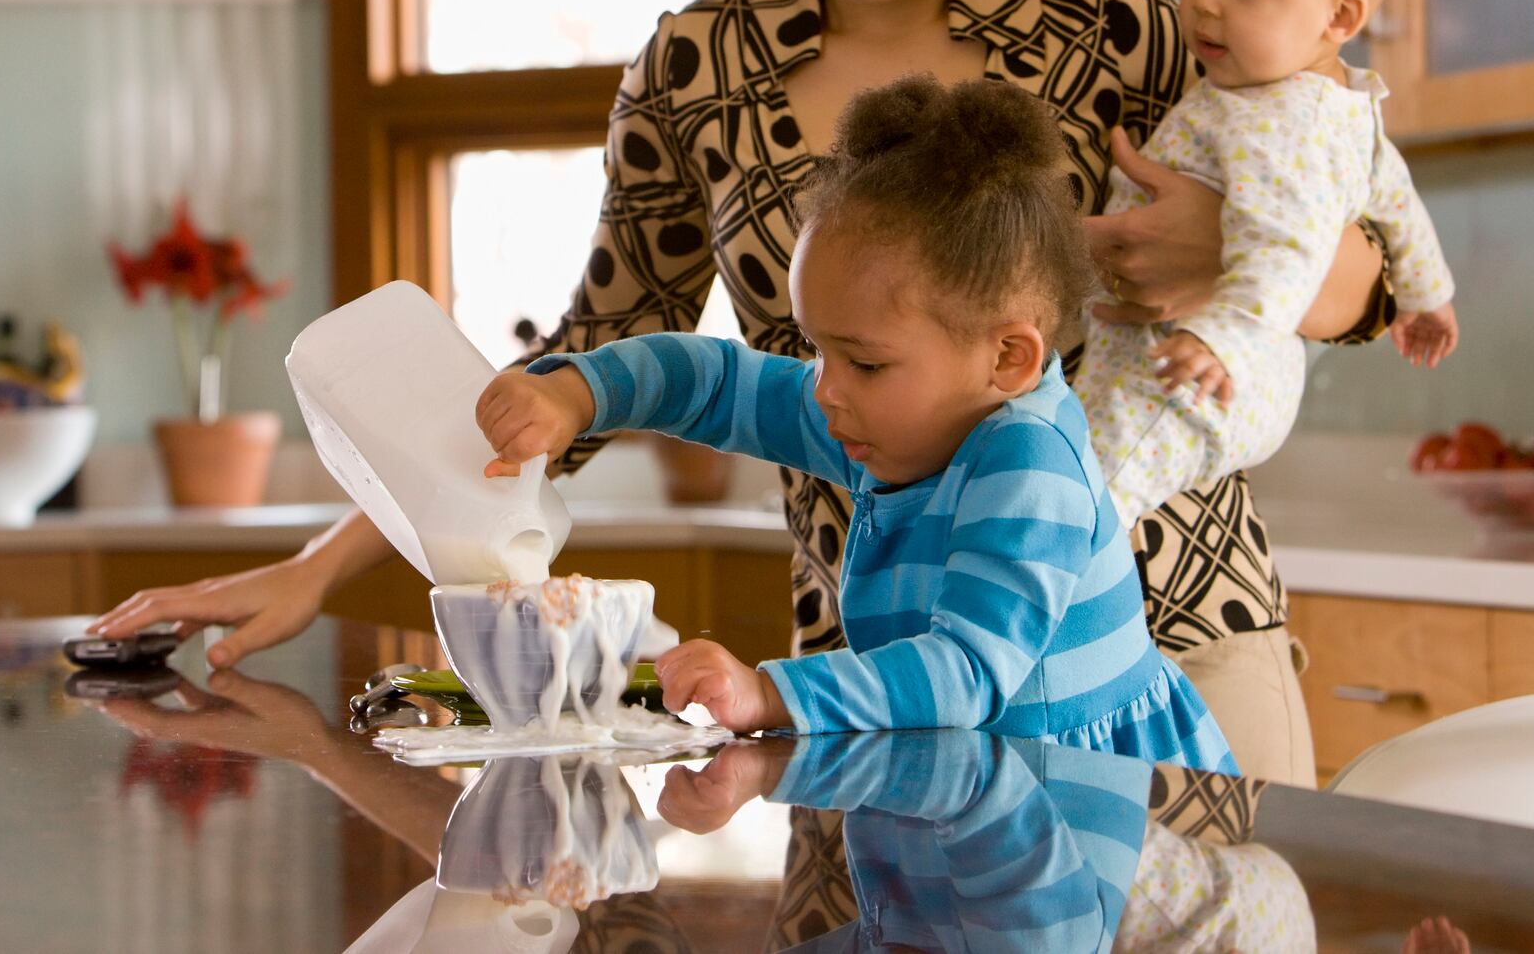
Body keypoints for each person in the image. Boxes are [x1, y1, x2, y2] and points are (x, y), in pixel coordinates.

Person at [91, 0, 1398, 783]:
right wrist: (315, 567)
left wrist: (1233, 249)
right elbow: (587, 371)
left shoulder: (1106, 22)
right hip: (869, 685)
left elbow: (1369, 281)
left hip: (1172, 652)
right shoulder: (699, 69)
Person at [478, 78, 1237, 768]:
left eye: (865, 363)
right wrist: (579, 393)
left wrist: (768, 693)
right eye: (817, 350)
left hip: (1086, 801)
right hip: (977, 785)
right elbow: (717, 383)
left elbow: (965, 673)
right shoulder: (895, 417)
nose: (826, 389)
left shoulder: (1030, 462)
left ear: (1007, 357)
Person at [1076, 0, 1458, 535]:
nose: (1204, 0)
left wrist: (1221, 339)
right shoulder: (1339, 108)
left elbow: (1284, 249)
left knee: (1088, 499)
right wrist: (1426, 293)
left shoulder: (1278, 124)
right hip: (1211, 365)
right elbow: (1398, 203)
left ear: (1339, 15)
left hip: (1194, 376)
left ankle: (1040, 584)